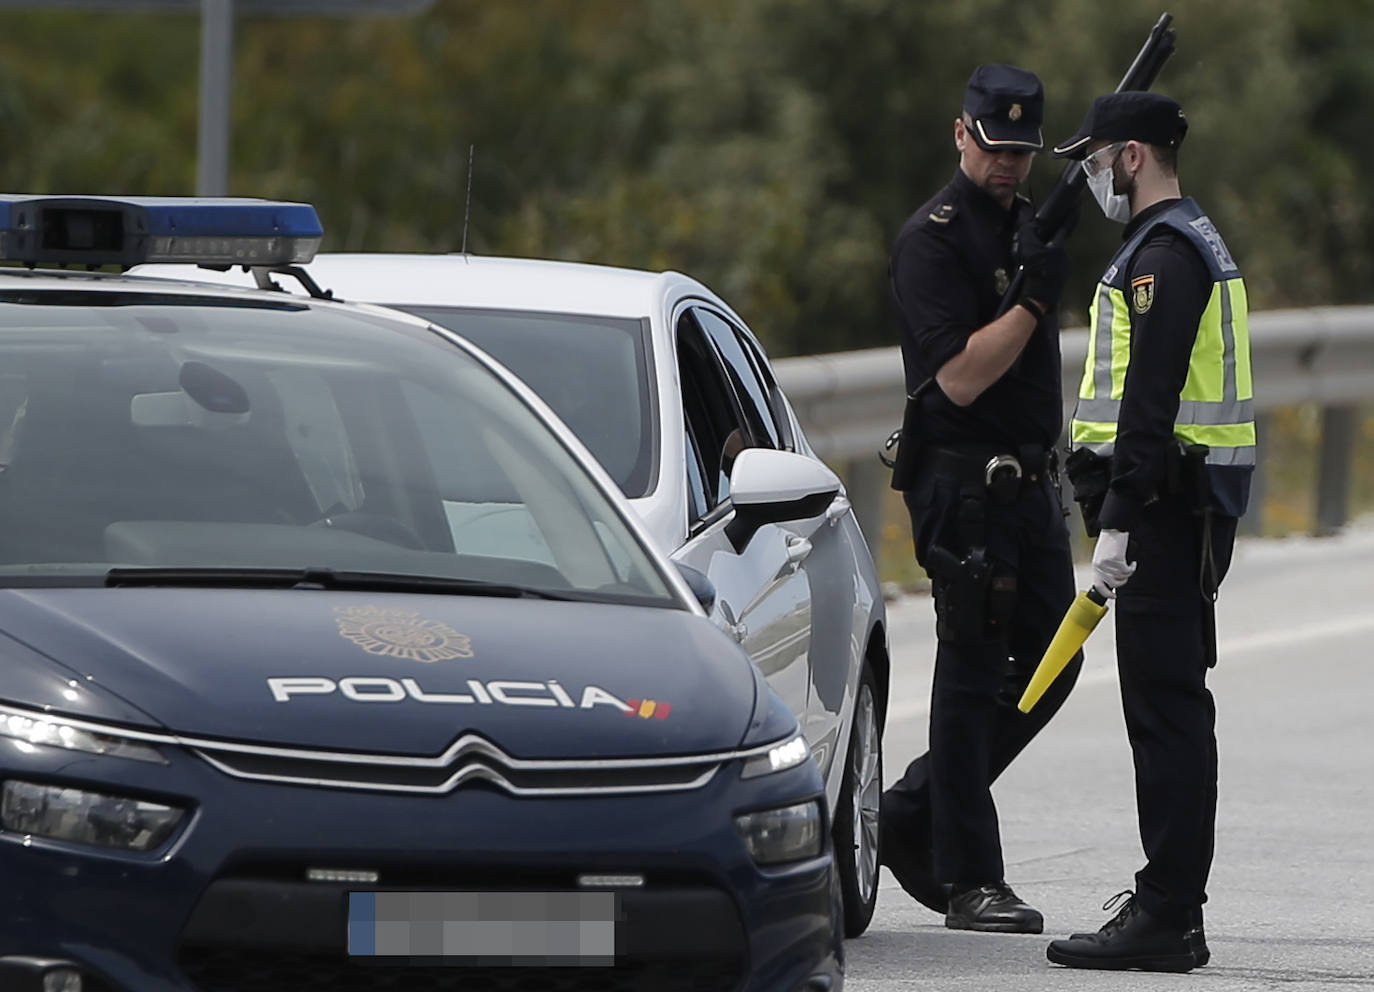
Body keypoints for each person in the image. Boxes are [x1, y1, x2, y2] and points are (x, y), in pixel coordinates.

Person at [1044, 91, 1254, 972]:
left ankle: (1168, 913)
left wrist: (1119, 524)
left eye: (1096, 158)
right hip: (1178, 509)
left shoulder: (1164, 256)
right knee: (1172, 709)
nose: (1093, 174)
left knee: (1165, 715)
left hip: (1165, 514)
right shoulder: (1183, 242)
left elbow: (1150, 399)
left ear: (1131, 156)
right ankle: (1172, 907)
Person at [881, 64, 1082, 934]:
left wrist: (1040, 266)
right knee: (970, 676)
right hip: (965, 485)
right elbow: (959, 379)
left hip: (1028, 485)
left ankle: (909, 813)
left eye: (1023, 152)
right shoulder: (932, 240)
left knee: (1053, 664)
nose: (1009, 165)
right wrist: (1033, 298)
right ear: (961, 134)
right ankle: (970, 877)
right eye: (995, 147)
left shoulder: (1027, 224)